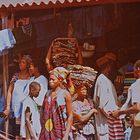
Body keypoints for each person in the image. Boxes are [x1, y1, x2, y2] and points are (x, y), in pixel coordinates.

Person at [93, 52, 125, 140]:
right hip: (105, 126)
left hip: (109, 125)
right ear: (109, 67)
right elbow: (102, 105)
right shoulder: (102, 80)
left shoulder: (107, 81)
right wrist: (114, 115)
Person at [2, 55, 32, 139]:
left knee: (26, 131)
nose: (20, 64)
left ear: (28, 65)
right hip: (15, 109)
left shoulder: (31, 77)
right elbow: (9, 91)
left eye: (23, 62)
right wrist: (8, 107)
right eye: (20, 62)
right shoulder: (16, 76)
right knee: (16, 131)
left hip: (26, 108)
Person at [39, 67, 73, 140]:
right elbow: (42, 110)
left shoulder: (66, 94)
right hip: (47, 131)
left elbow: (70, 116)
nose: (50, 81)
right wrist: (42, 127)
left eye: (53, 79)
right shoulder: (47, 93)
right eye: (50, 79)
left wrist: (66, 135)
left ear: (60, 80)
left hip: (60, 131)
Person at [111, 59, 140, 140]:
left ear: (138, 69)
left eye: (134, 69)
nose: (133, 72)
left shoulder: (137, 85)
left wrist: (120, 112)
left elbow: (137, 107)